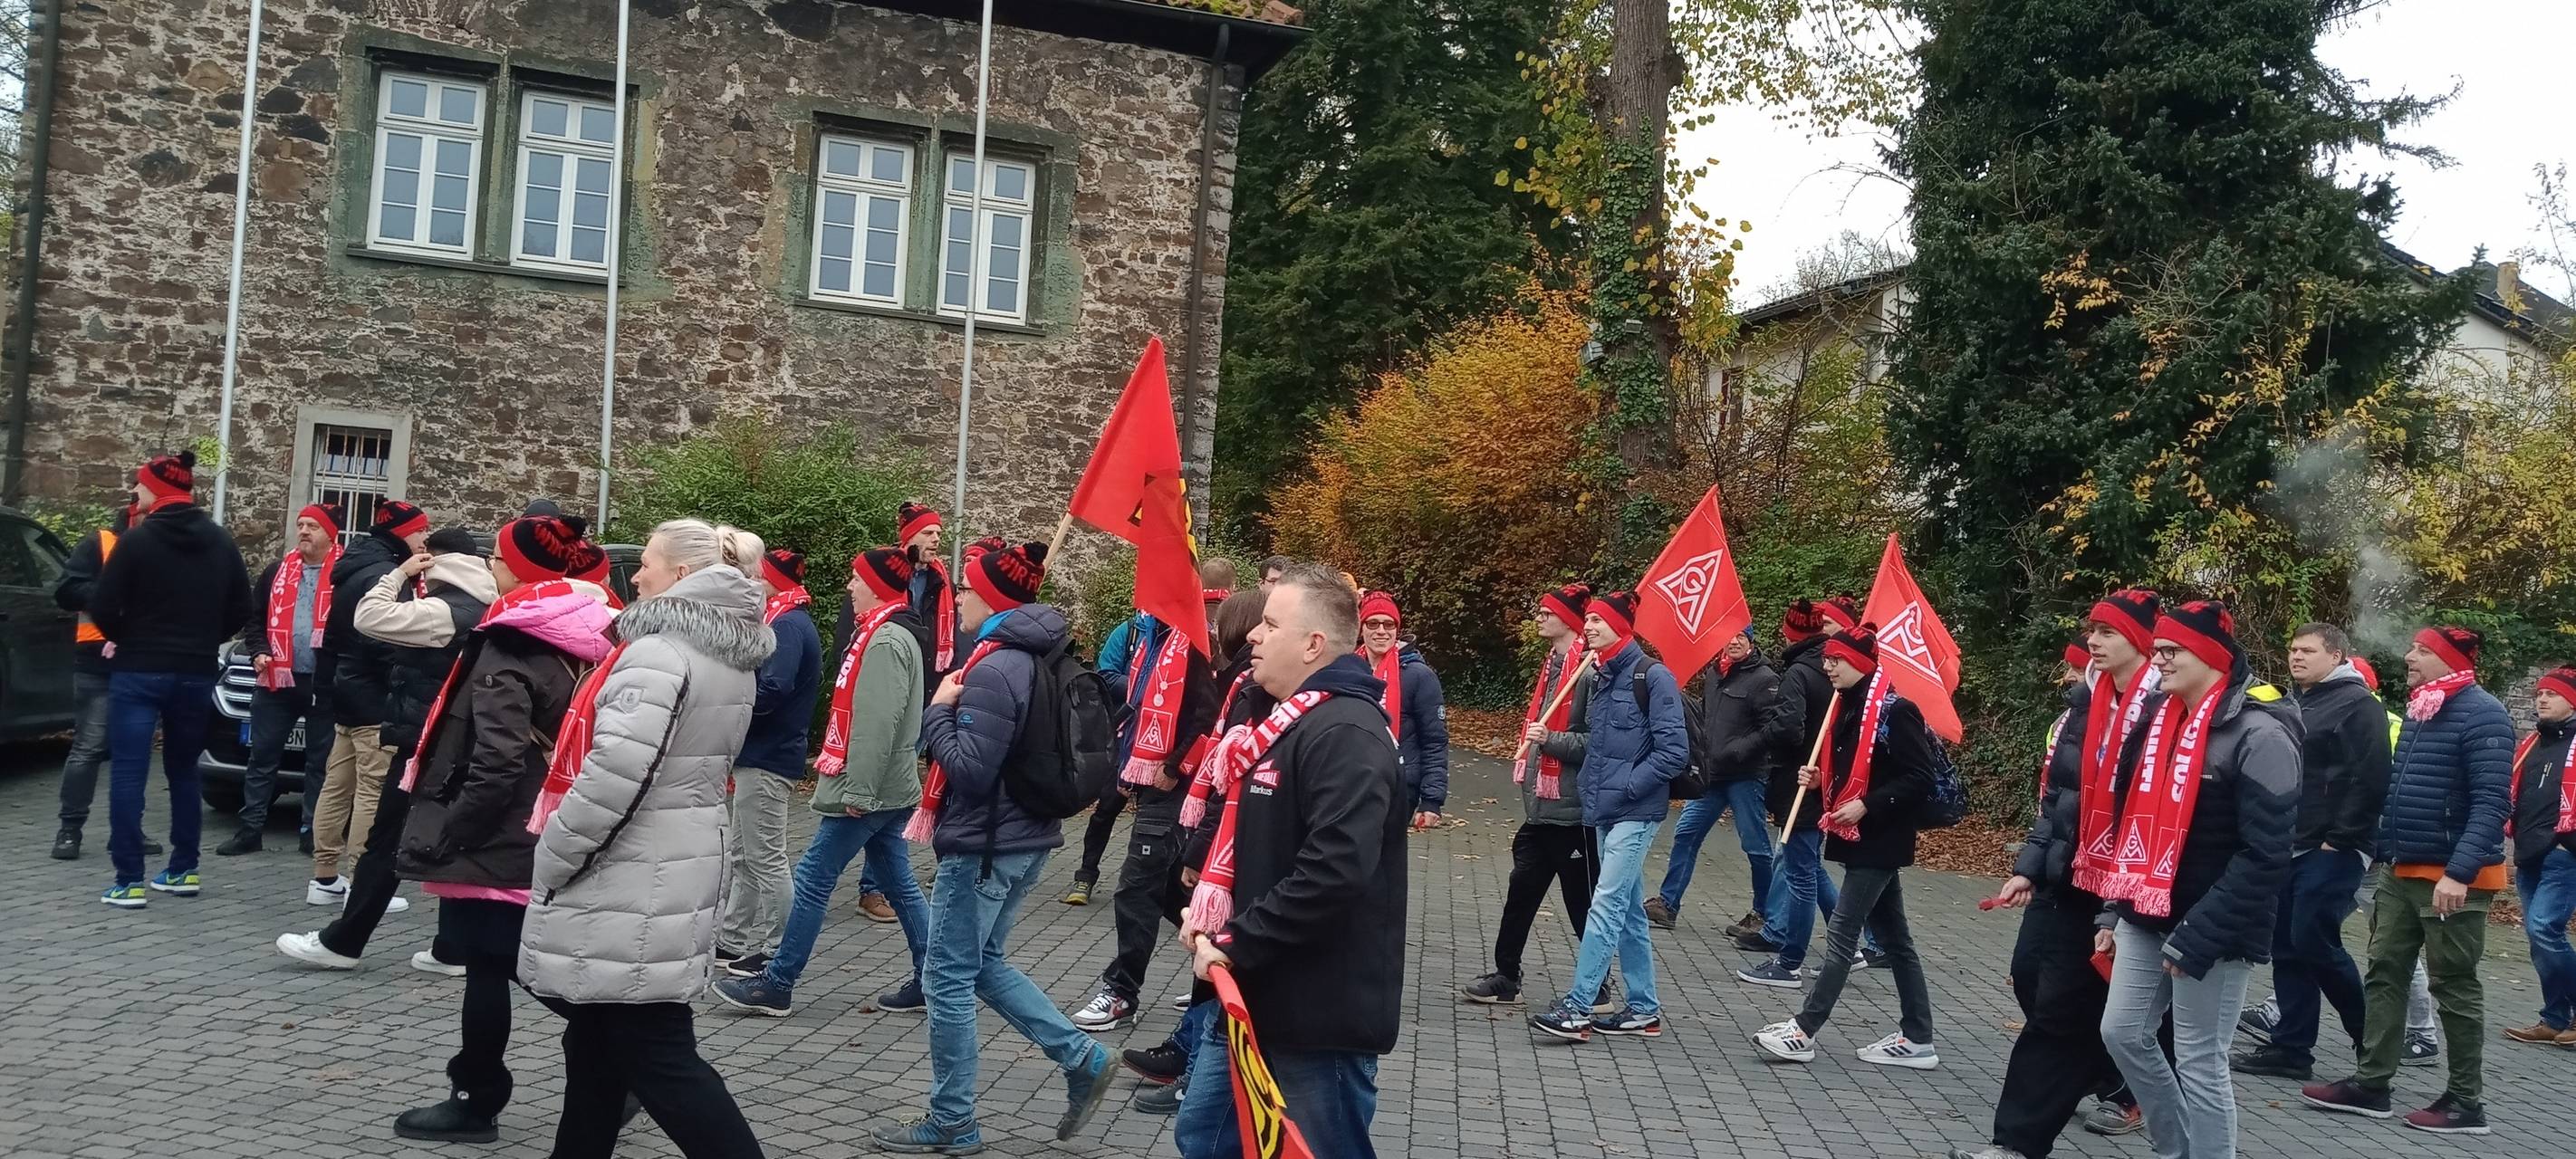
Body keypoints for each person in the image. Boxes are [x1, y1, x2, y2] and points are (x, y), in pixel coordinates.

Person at [519, 519, 774, 1158]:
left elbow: (616, 778)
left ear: (682, 576)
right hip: (669, 858)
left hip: (633, 869)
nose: (636, 575)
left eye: (649, 564)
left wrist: (553, 854)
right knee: (596, 1045)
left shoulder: (658, 653)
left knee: (658, 1054)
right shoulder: (722, 653)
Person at [871, 541, 1115, 1154]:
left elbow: (972, 772)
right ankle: (1081, 1057)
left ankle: (953, 1119)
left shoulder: (997, 666)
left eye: (970, 588)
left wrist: (937, 714)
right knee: (983, 965)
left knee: (947, 979)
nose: (960, 596)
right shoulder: (1040, 652)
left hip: (984, 847)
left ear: (996, 597)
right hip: (1028, 838)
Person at [387, 516, 617, 1143]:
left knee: (515, 965)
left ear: (518, 568)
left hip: (497, 834)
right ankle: (475, 1091)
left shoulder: (511, 639)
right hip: (540, 820)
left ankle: (623, 1062)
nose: (491, 564)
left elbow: (495, 757)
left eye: (497, 556)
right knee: (491, 965)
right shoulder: (586, 628)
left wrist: (454, 832)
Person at [1171, 561, 1407, 1157]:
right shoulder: (1279, 724)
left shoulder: (1345, 732)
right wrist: (1217, 920)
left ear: (1312, 645)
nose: (1252, 634)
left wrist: (1237, 940)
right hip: (1255, 1000)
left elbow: (1334, 871)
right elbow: (1262, 846)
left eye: (1270, 624)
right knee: (1206, 1140)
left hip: (1316, 1015)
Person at [1953, 589, 2165, 1159]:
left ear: (2141, 643)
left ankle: (2020, 1142)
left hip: (2121, 887)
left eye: (2108, 633)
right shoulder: (2085, 703)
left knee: (2066, 1013)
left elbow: (2151, 814)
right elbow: (2058, 799)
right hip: (2065, 875)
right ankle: (2105, 1076)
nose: (2093, 642)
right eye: (2092, 629)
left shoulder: (2161, 712)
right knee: (2033, 979)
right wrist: (2029, 867)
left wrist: (2117, 908)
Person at [2088, 601, 2298, 1159]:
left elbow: (2268, 854)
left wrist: (2199, 935)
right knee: (2123, 1034)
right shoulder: (2157, 719)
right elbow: (2132, 819)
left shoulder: (2260, 733)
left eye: (2170, 651)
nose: (2158, 662)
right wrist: (2113, 908)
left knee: (2201, 1060)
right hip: (2143, 910)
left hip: (2216, 928)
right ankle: (2177, 1148)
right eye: (2156, 650)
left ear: (2209, 655)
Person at [2303, 625, 2514, 1135]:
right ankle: (2372, 1085)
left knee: (2455, 987)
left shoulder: (2485, 714)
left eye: (2422, 651)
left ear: (2449, 660)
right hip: (2401, 868)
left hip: (2453, 878)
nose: (2409, 656)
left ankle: (2466, 1102)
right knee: (2384, 973)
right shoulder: (2425, 706)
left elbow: (2492, 803)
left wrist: (2459, 873)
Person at [712, 548, 935, 1017]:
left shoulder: (886, 640)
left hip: (870, 789)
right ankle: (935, 977)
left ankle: (777, 982)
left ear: (877, 585)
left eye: (856, 579)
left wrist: (859, 791)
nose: (849, 588)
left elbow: (878, 723)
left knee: (813, 878)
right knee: (900, 883)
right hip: (886, 786)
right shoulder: (888, 633)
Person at [276, 526, 505, 972]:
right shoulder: (482, 604)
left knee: (385, 844)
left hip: (428, 744)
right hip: (451, 742)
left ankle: (344, 943)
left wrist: (397, 574)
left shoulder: (445, 609)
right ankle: (451, 949)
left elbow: (369, 616)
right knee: (450, 842)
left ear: (434, 562)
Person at [1749, 622, 1941, 1069]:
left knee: (1841, 935)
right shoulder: (1847, 708)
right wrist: (1822, 782)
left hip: (1880, 840)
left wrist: (1866, 807)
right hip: (1862, 840)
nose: (1828, 665)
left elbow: (1918, 777)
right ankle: (1918, 1038)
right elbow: (1858, 771)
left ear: (1860, 663)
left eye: (1837, 660)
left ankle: (1804, 1029)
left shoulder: (1895, 711)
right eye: (1827, 658)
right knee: (1898, 941)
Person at [1122, 588, 1269, 1116]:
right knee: (1209, 956)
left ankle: (1192, 1070)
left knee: (1219, 960)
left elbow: (1233, 783)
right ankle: (1186, 1054)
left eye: (1267, 627)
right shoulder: (1240, 684)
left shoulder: (1248, 691)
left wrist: (1200, 852)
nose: (1255, 636)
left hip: (1233, 852)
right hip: (1222, 845)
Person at [89, 451, 255, 906]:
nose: (134, 493)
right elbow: (242, 608)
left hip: (139, 670)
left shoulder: (136, 542)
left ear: (156, 489)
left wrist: (128, 638)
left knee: (128, 771)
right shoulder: (220, 542)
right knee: (183, 771)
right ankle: (183, 870)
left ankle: (129, 880)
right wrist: (205, 640)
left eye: (139, 485)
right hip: (194, 672)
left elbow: (102, 605)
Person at [2229, 623, 2394, 1080]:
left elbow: (2372, 776)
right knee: (2286, 944)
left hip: (2333, 847)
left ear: (2337, 656)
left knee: (2314, 941)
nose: (2296, 657)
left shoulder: (2359, 705)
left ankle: (2372, 1043)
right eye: (2293, 648)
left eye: (2308, 650)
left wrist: (2339, 838)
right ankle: (2291, 1049)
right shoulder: (2298, 701)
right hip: (2291, 841)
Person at [1530, 590, 1688, 1042]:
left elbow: (1673, 752)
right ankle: (1642, 1008)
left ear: (1623, 626)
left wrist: (1627, 788)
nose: (1591, 626)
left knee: (1606, 905)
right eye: (1590, 620)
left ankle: (1579, 1008)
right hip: (1605, 811)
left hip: (1635, 812)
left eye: (1599, 620)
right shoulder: (1601, 676)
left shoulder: (1652, 677)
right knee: (1630, 913)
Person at [1070, 594, 1222, 1030]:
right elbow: (1137, 711)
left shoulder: (1189, 645)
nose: (1145, 601)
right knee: (1174, 893)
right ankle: (1231, 961)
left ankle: (1121, 992)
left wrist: (1173, 765)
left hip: (1173, 787)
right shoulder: (1149, 639)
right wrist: (1127, 767)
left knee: (1136, 890)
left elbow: (1207, 716)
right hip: (1148, 780)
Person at [1462, 582, 1600, 1006]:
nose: (1539, 618)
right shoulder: (1551, 668)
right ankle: (1507, 977)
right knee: (1520, 895)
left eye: (1546, 612)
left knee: (1583, 906)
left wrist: (1551, 740)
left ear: (1568, 621)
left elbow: (1597, 743)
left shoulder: (1590, 674)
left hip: (1574, 815)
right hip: (1540, 814)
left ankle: (1598, 989)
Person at [1735, 595, 1875, 982]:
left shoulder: (1801, 673)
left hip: (1802, 782)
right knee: (1807, 867)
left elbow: (1789, 728)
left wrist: (1762, 744)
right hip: (1817, 782)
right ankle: (1852, 945)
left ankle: (1790, 959)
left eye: (1831, 624)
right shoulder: (1832, 678)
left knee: (1800, 874)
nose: (1830, 665)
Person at [711, 548, 826, 978]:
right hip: (760, 753)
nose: (752, 583)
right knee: (744, 854)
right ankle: (733, 939)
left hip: (770, 755)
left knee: (766, 857)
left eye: (757, 576)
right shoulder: (783, 618)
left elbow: (775, 687)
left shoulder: (790, 625)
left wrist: (732, 702)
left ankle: (780, 948)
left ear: (772, 580)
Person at [308, 501, 430, 905]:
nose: (424, 539)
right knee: (371, 789)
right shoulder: (385, 574)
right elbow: (384, 637)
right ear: (401, 534)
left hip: (346, 686)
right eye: (419, 531)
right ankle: (360, 882)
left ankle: (324, 878)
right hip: (375, 692)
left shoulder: (354, 564)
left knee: (337, 783)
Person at [217, 502, 345, 857]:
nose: (304, 532)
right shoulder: (278, 570)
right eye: (300, 525)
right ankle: (251, 828)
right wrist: (259, 650)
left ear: (329, 534)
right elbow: (254, 618)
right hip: (276, 679)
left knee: (320, 761)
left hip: (322, 683)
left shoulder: (343, 573)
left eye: (312, 526)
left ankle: (310, 831)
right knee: (262, 756)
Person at [1648, 628, 1792, 930]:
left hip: (1746, 777)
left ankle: (1763, 914)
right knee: (1685, 835)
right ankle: (1667, 904)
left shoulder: (1765, 680)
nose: (1735, 641)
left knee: (1755, 847)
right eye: (1730, 636)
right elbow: (1704, 718)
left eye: (1743, 636)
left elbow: (1773, 730)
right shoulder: (1715, 674)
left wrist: (1738, 750)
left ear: (1752, 642)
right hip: (1712, 777)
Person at [48, 503, 159, 861]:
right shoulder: (100, 543)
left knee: (135, 752)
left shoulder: (161, 551)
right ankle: (70, 830)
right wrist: (113, 597)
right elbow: (66, 590)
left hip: (141, 661)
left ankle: (127, 832)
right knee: (90, 747)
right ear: (134, 513)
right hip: (97, 663)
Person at [2504, 666, 2576, 1047]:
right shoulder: (2533, 743)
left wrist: (2567, 842)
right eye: (2539, 694)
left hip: (2564, 854)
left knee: (2544, 929)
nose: (2542, 699)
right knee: (2538, 937)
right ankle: (2554, 1018)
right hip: (2528, 851)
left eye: (2552, 694)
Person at [1358, 590, 1449, 828]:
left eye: (1389, 624)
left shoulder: (1420, 676)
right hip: (1353, 780)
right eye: (1373, 623)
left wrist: (1431, 800)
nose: (1381, 631)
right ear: (1361, 627)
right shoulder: (1350, 668)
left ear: (1397, 629)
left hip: (1399, 786)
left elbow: (1434, 741)